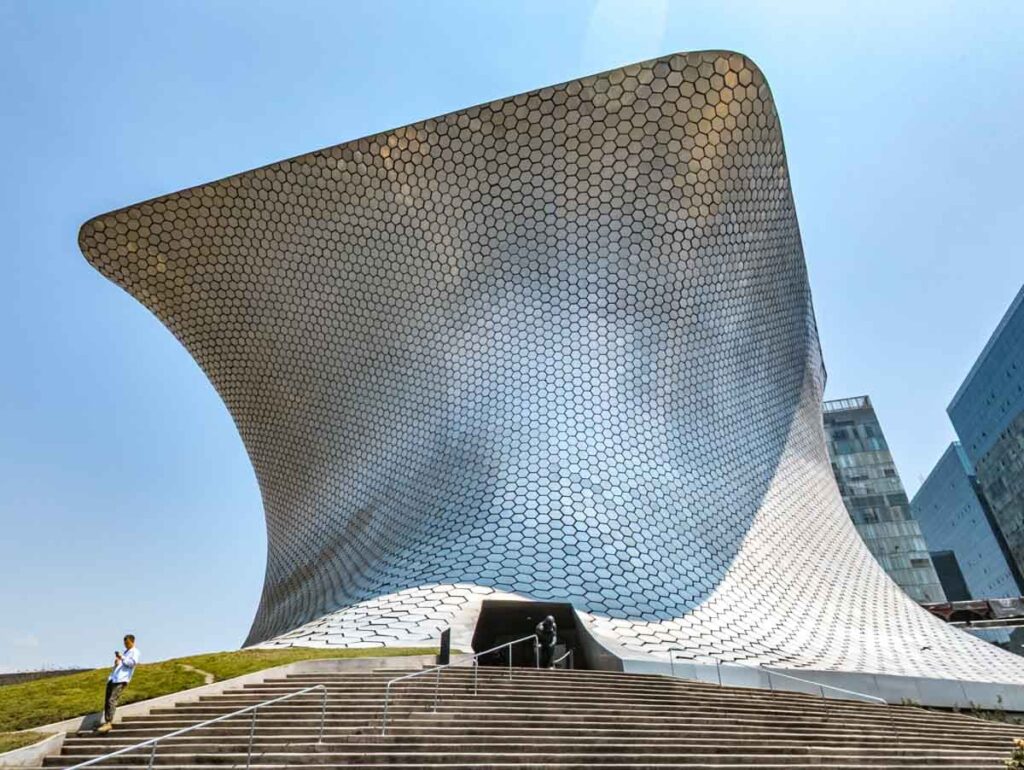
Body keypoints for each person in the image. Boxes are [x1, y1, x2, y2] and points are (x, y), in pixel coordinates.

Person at [96, 634, 139, 734]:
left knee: (112, 699)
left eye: (127, 642)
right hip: (114, 678)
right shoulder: (126, 652)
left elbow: (132, 664)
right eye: (124, 642)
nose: (125, 644)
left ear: (132, 641)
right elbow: (123, 664)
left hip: (121, 679)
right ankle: (107, 722)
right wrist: (117, 662)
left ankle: (108, 722)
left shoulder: (135, 652)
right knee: (107, 700)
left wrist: (122, 657)